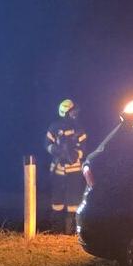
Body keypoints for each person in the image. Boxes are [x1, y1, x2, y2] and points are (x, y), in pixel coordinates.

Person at [46, 98, 87, 233]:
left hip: (74, 169)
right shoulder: (54, 127)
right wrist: (57, 151)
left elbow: (84, 147)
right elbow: (47, 144)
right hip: (58, 169)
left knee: (74, 200)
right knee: (57, 199)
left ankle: (71, 230)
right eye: (72, 111)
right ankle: (56, 229)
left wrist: (75, 154)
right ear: (65, 112)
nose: (75, 113)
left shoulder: (79, 128)